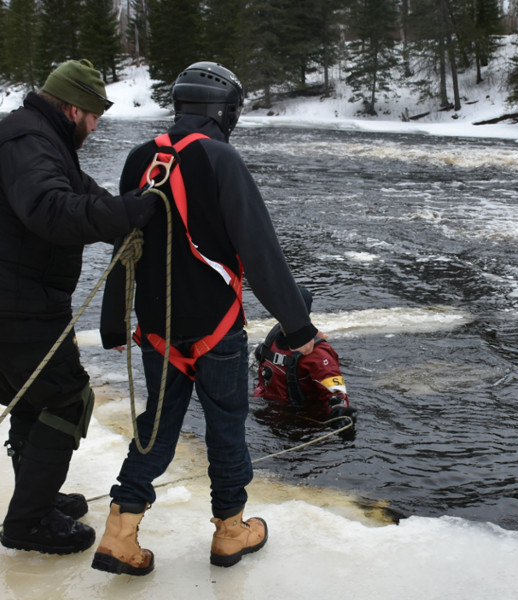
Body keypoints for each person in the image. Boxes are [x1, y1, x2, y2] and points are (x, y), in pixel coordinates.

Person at [93, 61, 322, 576]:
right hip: (216, 331)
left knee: (156, 427)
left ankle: (119, 533)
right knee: (225, 428)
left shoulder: (138, 159)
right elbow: (259, 250)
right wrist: (298, 327)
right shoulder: (221, 158)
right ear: (225, 111)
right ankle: (229, 532)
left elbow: (122, 245)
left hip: (157, 329)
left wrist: (114, 324)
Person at [0, 59, 158, 556]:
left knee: (32, 402)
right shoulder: (28, 142)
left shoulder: (40, 137)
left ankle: (37, 497)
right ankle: (30, 520)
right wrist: (127, 212)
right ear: (72, 107)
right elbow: (50, 210)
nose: (96, 125)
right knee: (66, 400)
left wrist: (128, 211)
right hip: (12, 308)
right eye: (93, 115)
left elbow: (82, 195)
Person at [253, 287, 356, 424]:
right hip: (268, 410)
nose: (285, 317)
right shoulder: (273, 336)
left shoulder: (318, 352)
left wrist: (339, 412)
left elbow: (335, 392)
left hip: (301, 420)